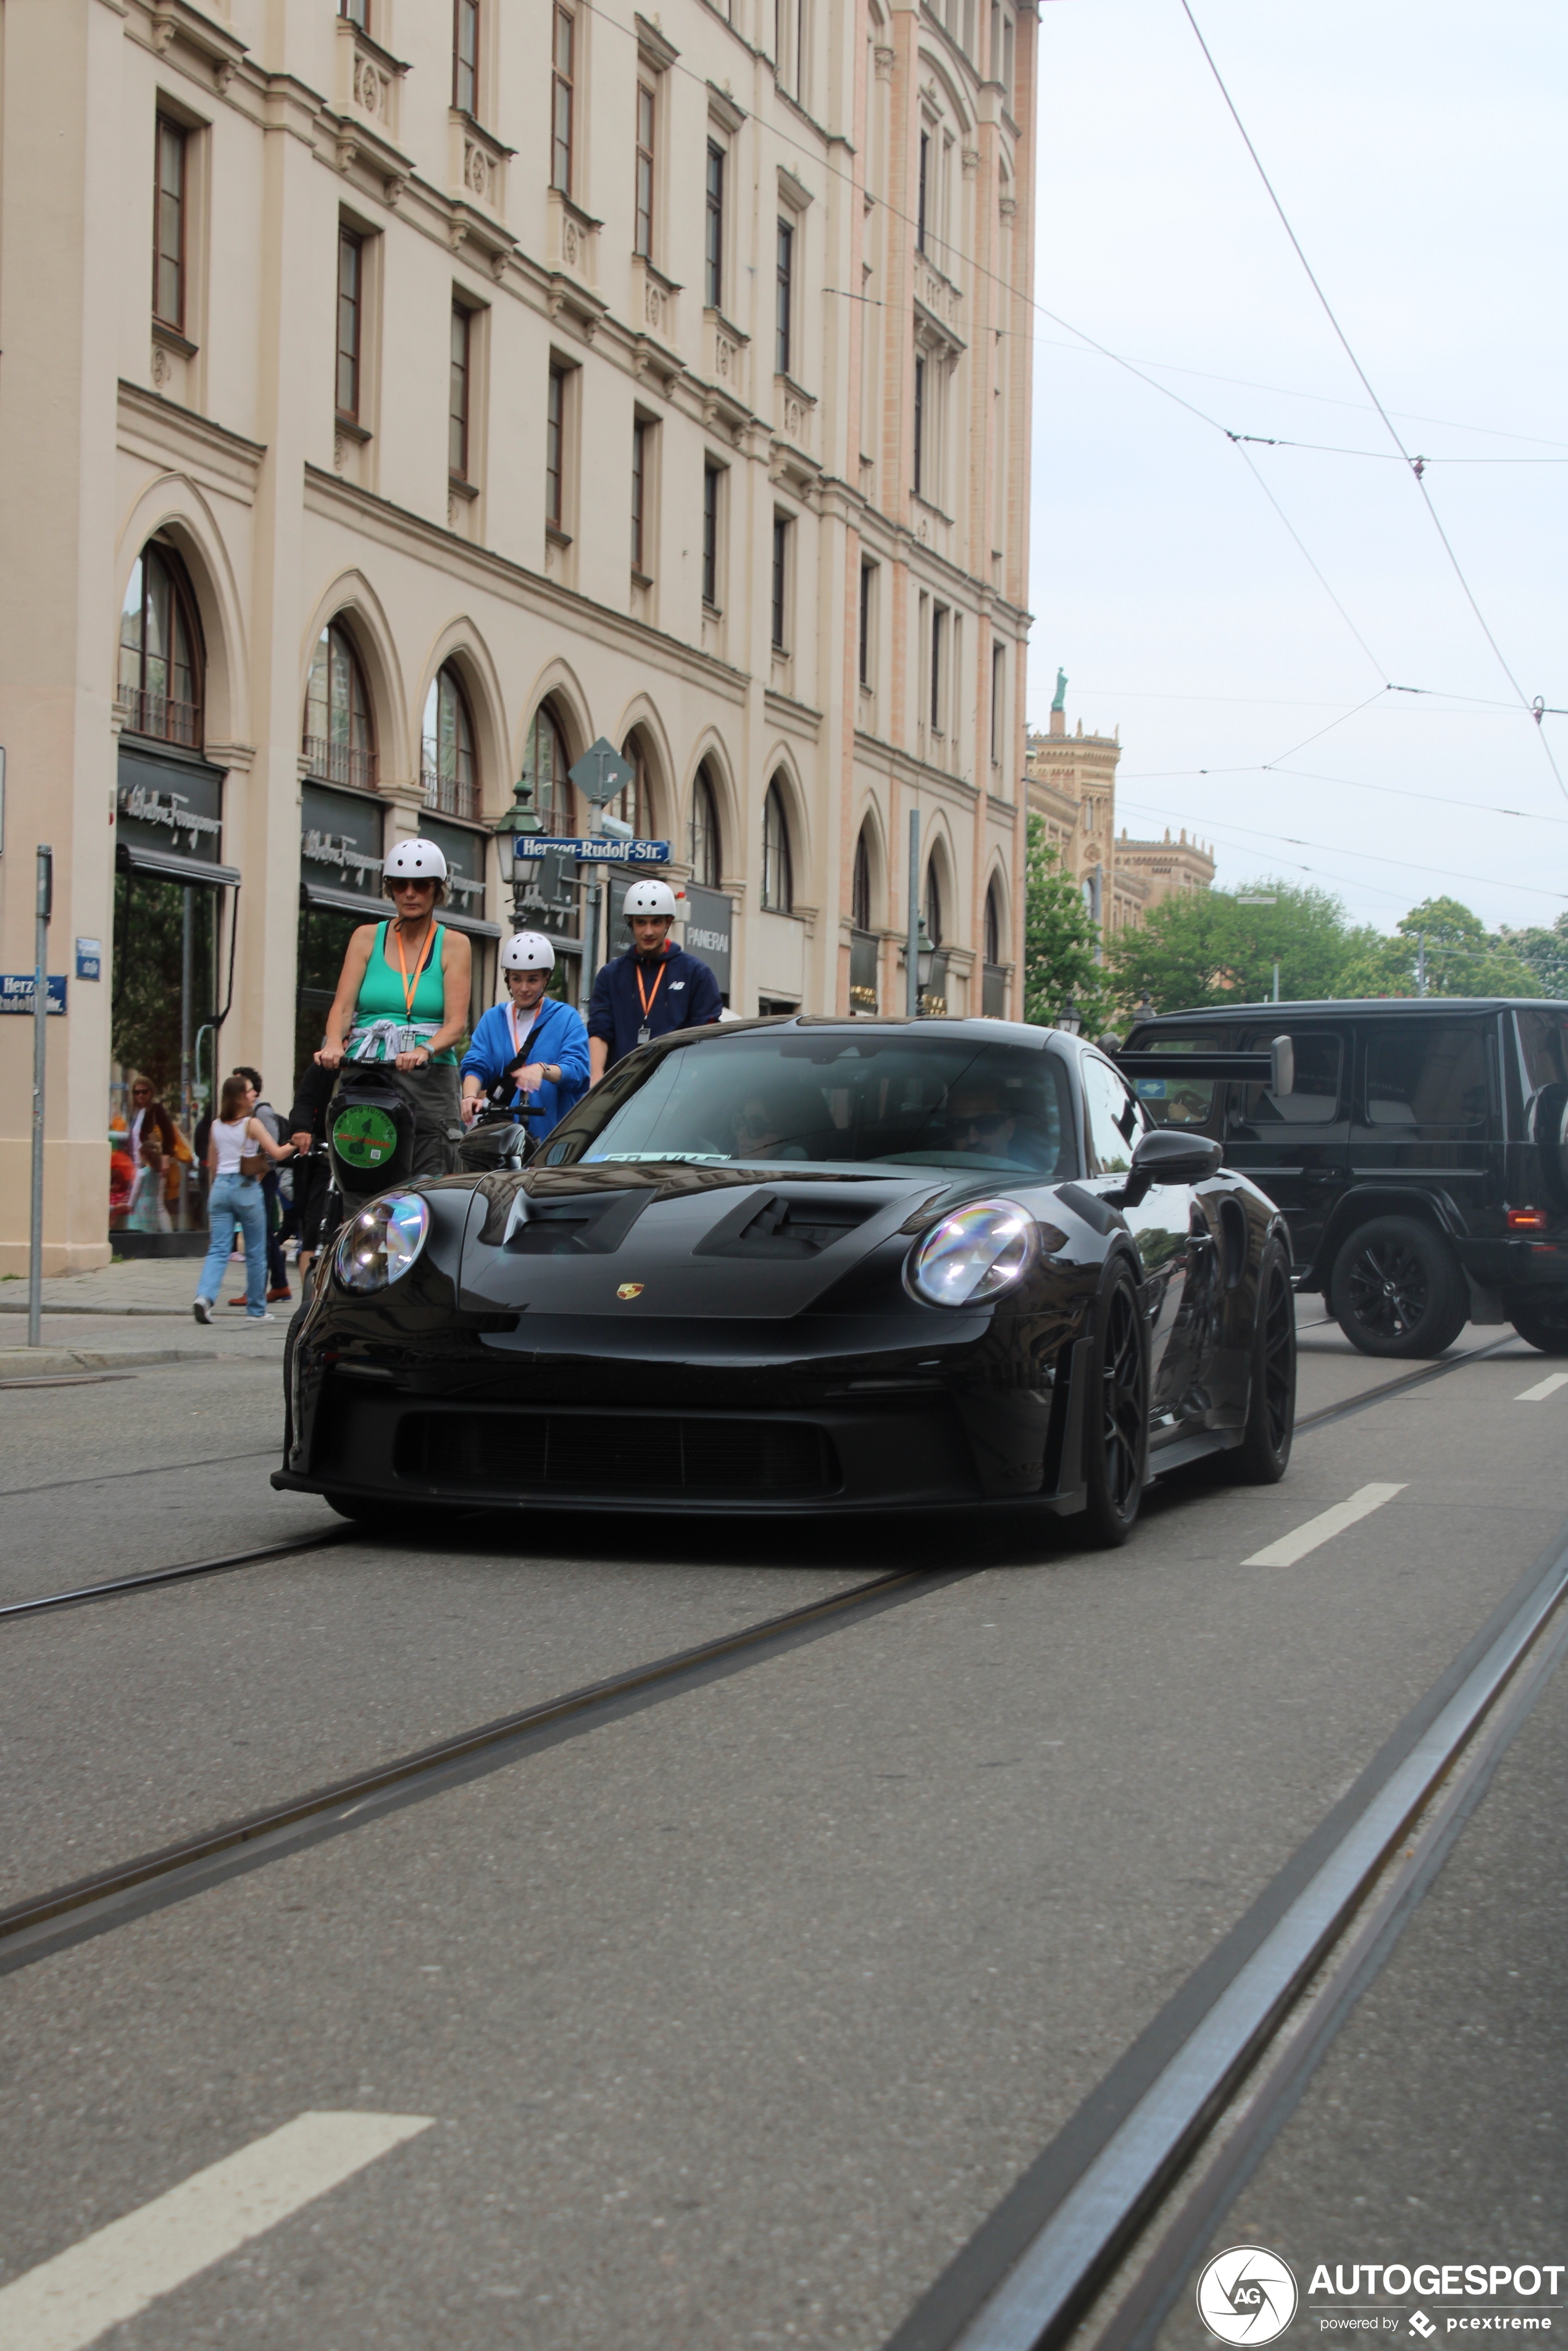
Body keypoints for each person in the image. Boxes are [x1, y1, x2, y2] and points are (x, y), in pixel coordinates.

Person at [315, 838, 472, 1177]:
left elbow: (456, 1024)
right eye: (401, 885)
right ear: (391, 890)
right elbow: (343, 1008)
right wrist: (331, 1043)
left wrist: (425, 1050)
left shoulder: (455, 945)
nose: (410, 893)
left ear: (437, 890)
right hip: (368, 1067)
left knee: (432, 1172)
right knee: (359, 1166)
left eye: (421, 885)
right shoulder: (366, 938)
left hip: (426, 1073)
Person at [587, 879, 722, 1080]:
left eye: (656, 922)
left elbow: (706, 1036)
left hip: (676, 1086)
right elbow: (599, 1030)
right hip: (621, 1089)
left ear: (668, 922)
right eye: (641, 922)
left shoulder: (696, 973)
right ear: (630, 923)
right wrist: (596, 1077)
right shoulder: (610, 975)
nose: (648, 931)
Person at [461, 932, 590, 1140]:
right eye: (516, 979)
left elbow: (577, 1071)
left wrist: (543, 1070)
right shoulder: (493, 1019)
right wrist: (469, 1096)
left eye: (533, 980)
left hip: (552, 1137)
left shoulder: (566, 1018)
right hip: (502, 1137)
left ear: (546, 978)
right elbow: (477, 1064)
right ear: (507, 978)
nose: (523, 988)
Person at [193, 1072, 296, 1325]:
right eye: (250, 1091)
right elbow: (277, 1154)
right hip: (245, 1188)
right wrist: (297, 1142)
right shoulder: (252, 1124)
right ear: (240, 1097)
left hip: (220, 1189)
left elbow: (213, 1165)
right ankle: (257, 1310)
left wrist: (218, 1187)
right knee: (256, 1250)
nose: (254, 1094)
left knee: (218, 1248)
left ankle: (204, 1297)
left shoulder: (215, 1125)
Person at [228, 1066, 291, 1303]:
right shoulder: (245, 1114)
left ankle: (256, 1290)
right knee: (264, 1233)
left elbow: (272, 1150)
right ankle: (280, 1285)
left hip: (264, 1178)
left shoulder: (261, 1113)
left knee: (258, 1233)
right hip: (259, 1178)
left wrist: (258, 1177)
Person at [285, 1058, 338, 1288]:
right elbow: (304, 1100)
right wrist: (301, 1129)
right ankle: (310, 1299)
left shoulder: (380, 1060)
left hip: (368, 1156)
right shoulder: (323, 1067)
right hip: (326, 1155)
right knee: (314, 1222)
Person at [943, 1081, 1035, 1167]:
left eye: (985, 1124)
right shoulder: (935, 1170)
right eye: (959, 1127)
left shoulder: (1034, 1177)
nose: (973, 1140)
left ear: (1009, 1128)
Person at [733, 1096, 809, 1160]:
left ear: (781, 1136)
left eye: (756, 1126)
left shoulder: (799, 1172)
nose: (742, 1133)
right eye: (740, 1124)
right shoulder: (725, 1163)